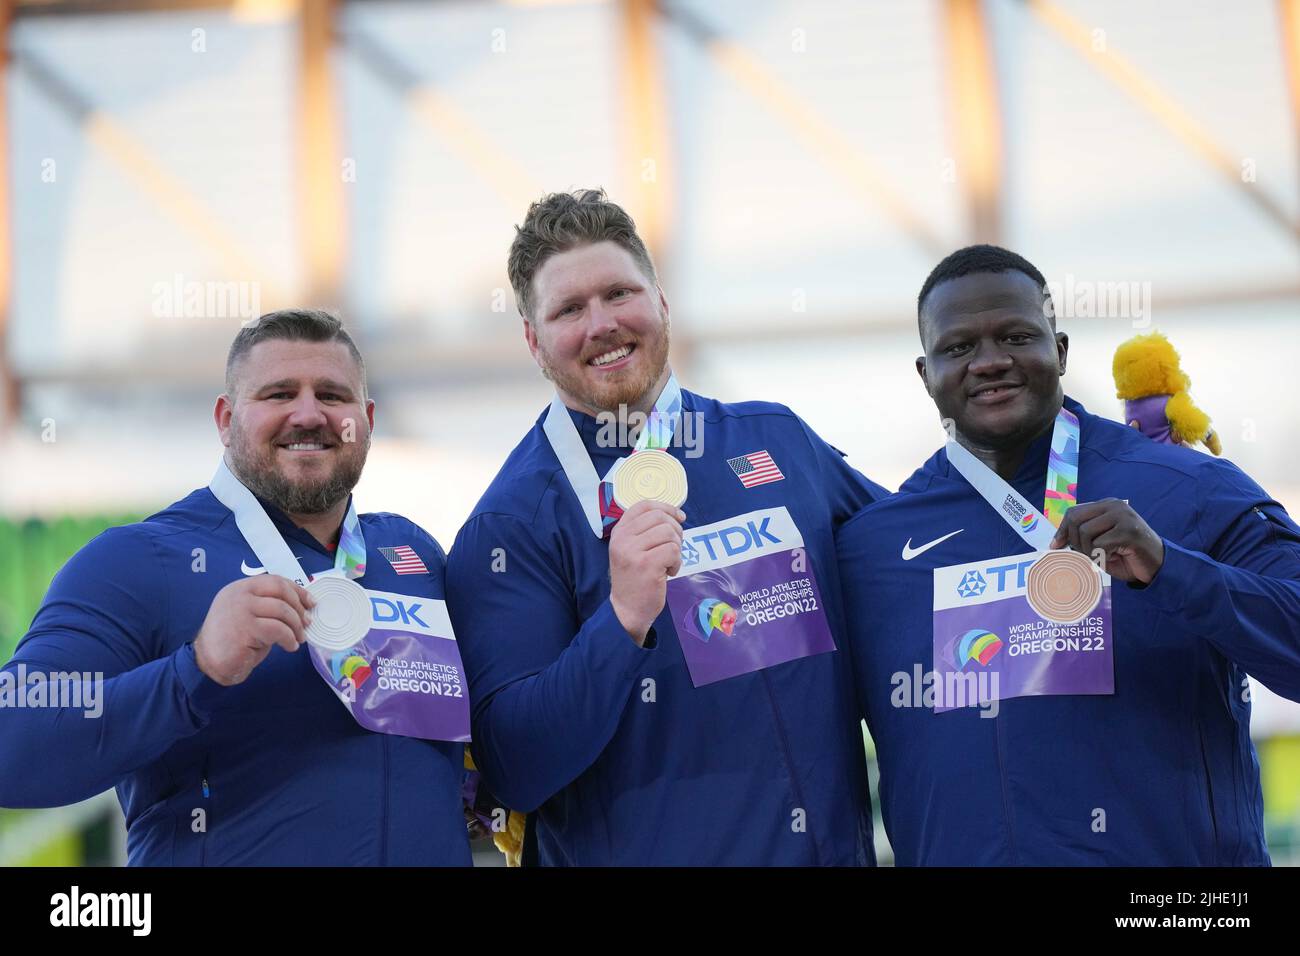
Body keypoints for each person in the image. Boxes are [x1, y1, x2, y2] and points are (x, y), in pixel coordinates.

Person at [445, 189, 887, 865]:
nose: (602, 324)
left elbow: (919, 568)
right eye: (569, 309)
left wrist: (1076, 505)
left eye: (619, 293)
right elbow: (516, 768)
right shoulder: (510, 525)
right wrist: (621, 620)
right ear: (534, 341)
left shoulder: (780, 443)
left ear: (661, 304)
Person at [836, 244, 1300, 865]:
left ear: (1059, 350)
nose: (989, 362)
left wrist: (1172, 569)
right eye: (958, 347)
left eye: (1016, 335)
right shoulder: (874, 546)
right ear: (926, 375)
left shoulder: (1191, 489)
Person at [0, 309, 472, 866]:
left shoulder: (412, 554)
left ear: (365, 419)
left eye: (332, 394)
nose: (308, 413)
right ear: (225, 420)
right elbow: (14, 744)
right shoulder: (138, 561)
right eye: (277, 394)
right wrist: (193, 671)